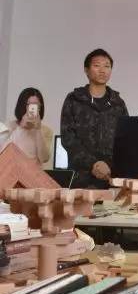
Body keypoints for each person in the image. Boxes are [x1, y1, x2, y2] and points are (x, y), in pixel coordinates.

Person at [61, 48, 128, 189]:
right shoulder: (74, 99)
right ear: (86, 70)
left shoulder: (118, 103)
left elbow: (125, 140)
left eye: (107, 66)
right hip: (81, 178)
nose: (102, 70)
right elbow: (68, 138)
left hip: (111, 177)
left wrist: (108, 165)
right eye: (97, 65)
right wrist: (94, 164)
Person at [0, 87, 53, 165]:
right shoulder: (7, 126)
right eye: (29, 105)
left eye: (36, 105)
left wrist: (38, 129)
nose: (32, 109)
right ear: (22, 105)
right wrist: (21, 127)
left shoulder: (46, 130)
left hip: (33, 171)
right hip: (11, 170)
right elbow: (3, 153)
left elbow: (44, 158)